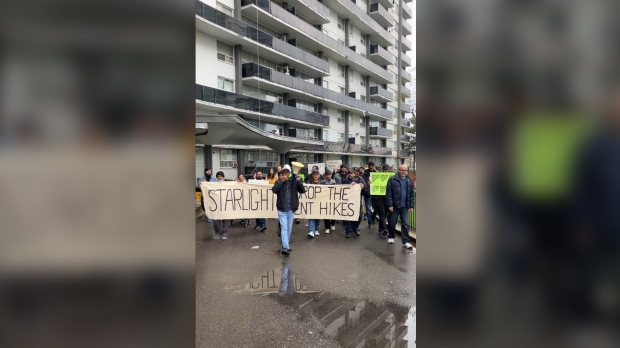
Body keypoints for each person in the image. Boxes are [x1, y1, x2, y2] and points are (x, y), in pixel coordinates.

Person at [272, 164, 306, 255]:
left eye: (287, 172)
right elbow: (274, 190)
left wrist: (299, 181)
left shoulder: (294, 181)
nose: (286, 174)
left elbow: (302, 190)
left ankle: (286, 244)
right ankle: (285, 246)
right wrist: (281, 181)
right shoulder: (279, 181)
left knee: (289, 228)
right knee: (284, 227)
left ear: (290, 173)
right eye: (284, 172)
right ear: (282, 173)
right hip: (282, 209)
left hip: (291, 209)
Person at [386, 165, 415, 249]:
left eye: (405, 170)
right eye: (402, 170)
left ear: (407, 171)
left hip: (405, 206)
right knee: (392, 222)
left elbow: (411, 194)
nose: (403, 171)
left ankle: (406, 241)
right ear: (399, 170)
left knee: (405, 224)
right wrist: (390, 205)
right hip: (394, 206)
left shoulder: (409, 180)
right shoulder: (392, 179)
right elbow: (388, 193)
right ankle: (391, 236)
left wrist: (411, 206)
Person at [341, 168, 366, 238]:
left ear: (354, 174)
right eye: (349, 173)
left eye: (351, 173)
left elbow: (365, 190)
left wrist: (362, 187)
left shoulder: (359, 180)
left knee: (360, 216)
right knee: (347, 217)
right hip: (347, 201)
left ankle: (355, 228)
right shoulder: (344, 181)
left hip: (356, 201)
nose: (350, 174)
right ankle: (348, 231)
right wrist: (349, 185)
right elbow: (341, 190)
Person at [372, 163, 391, 237]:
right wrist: (371, 183)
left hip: (387, 198)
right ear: (382, 169)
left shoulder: (391, 177)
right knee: (382, 214)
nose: (385, 171)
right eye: (384, 170)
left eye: (386, 170)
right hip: (378, 198)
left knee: (385, 214)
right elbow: (373, 184)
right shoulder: (377, 176)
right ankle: (384, 228)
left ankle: (381, 228)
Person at [212, 171, 230, 240]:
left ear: (223, 177)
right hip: (216, 204)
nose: (219, 177)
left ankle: (224, 233)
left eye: (221, 176)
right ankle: (217, 233)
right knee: (216, 219)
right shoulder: (213, 184)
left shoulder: (226, 184)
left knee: (225, 219)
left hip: (225, 204)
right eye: (218, 176)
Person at [305, 169, 323, 238]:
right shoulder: (309, 182)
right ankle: (311, 231)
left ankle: (316, 230)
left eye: (317, 174)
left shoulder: (323, 182)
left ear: (319, 175)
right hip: (311, 202)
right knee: (311, 216)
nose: (315, 176)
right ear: (312, 175)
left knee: (317, 217)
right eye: (314, 174)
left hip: (319, 202)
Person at [321, 169, 337, 234]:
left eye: (330, 174)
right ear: (325, 175)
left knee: (333, 212)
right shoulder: (323, 182)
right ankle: (327, 227)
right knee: (326, 213)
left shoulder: (334, 181)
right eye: (327, 175)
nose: (329, 176)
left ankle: (332, 224)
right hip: (325, 199)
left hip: (333, 199)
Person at [362, 162, 377, 228]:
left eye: (372, 168)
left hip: (375, 193)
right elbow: (362, 182)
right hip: (367, 193)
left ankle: (373, 218)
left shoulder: (377, 174)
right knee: (368, 208)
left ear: (374, 167)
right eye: (370, 168)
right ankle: (370, 222)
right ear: (368, 167)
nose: (371, 169)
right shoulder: (364, 174)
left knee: (376, 208)